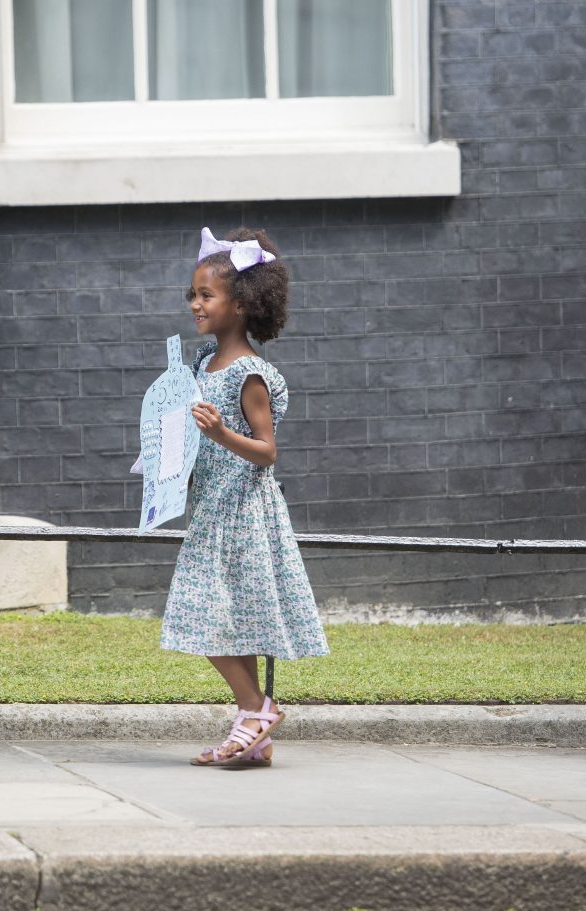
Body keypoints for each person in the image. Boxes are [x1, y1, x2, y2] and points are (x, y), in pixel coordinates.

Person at [162, 227, 329, 768]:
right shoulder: (199, 365)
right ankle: (254, 734)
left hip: (241, 511)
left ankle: (256, 709)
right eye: (193, 294)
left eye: (206, 295)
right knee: (231, 619)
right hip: (211, 505)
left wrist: (218, 436)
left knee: (201, 614)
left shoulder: (248, 373)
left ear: (241, 304)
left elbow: (266, 451)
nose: (195, 304)